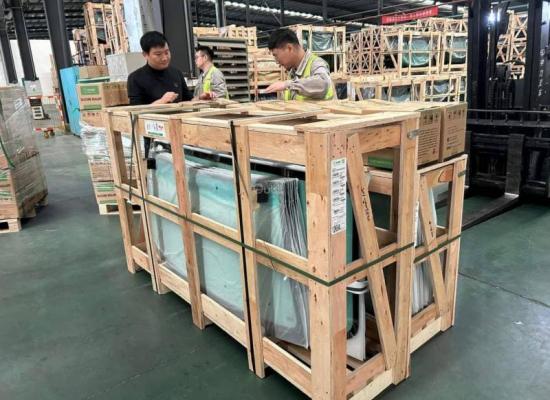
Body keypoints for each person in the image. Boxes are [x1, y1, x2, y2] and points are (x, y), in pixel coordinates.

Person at [265, 29, 334, 101]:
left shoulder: (316, 63)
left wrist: (288, 85)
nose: (277, 61)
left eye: (276, 55)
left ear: (289, 48)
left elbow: (323, 84)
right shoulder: (292, 73)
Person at [127, 31, 193, 106]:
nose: (164, 58)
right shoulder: (135, 78)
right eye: (158, 54)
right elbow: (136, 110)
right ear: (145, 54)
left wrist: (199, 99)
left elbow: (188, 99)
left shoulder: (176, 73)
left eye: (166, 52)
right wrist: (162, 101)